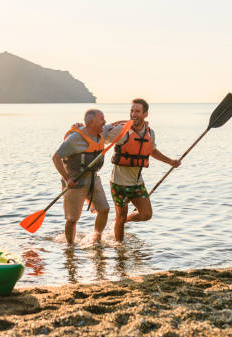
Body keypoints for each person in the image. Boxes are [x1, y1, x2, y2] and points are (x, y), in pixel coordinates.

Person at [105, 98, 181, 241]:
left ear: (145, 114)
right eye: (132, 111)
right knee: (120, 216)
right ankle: (120, 251)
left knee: (146, 214)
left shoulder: (150, 133)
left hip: (137, 183)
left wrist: (170, 161)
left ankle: (121, 220)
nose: (133, 114)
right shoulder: (121, 131)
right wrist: (82, 130)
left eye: (137, 111)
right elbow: (100, 137)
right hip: (118, 182)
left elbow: (151, 151)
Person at [52, 109, 110, 242]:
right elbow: (56, 158)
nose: (104, 122)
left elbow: (118, 125)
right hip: (75, 183)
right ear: (90, 122)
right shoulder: (74, 140)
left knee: (104, 209)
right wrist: (67, 178)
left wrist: (137, 123)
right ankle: (70, 247)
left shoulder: (101, 131)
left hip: (93, 180)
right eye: (101, 119)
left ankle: (96, 237)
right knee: (72, 219)